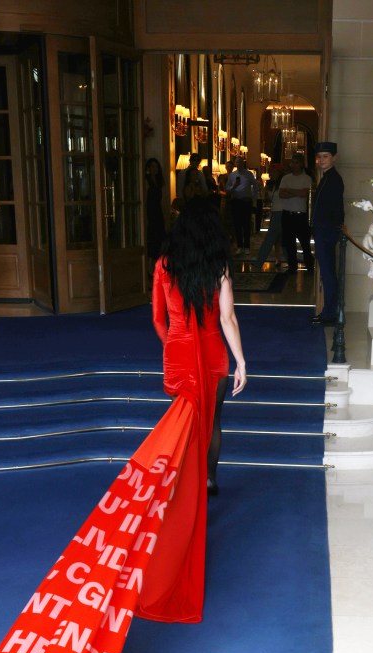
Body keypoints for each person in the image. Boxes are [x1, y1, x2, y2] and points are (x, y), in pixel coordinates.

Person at [152, 196, 247, 498]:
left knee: (183, 424)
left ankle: (185, 482)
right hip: (213, 353)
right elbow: (228, 318)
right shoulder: (219, 266)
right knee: (213, 421)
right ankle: (208, 480)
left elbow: (157, 319)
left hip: (178, 355)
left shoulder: (163, 265)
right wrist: (241, 362)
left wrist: (173, 344)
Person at [310, 141, 345, 325]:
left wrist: (330, 231)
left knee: (328, 273)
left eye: (325, 156)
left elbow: (336, 210)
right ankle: (329, 312)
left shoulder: (334, 179)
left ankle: (330, 314)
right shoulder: (327, 178)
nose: (321, 160)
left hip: (327, 232)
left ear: (334, 158)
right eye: (319, 157)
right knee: (326, 272)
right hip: (323, 231)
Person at [279, 152, 314, 274]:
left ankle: (309, 267)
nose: (294, 165)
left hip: (301, 216)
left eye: (296, 163)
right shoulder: (285, 178)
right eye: (292, 162)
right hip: (287, 214)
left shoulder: (307, 178)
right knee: (289, 244)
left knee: (305, 243)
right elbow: (281, 194)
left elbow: (305, 193)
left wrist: (289, 190)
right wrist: (297, 193)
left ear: (301, 164)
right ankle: (292, 267)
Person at [252, 162, 286, 268]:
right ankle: (287, 261)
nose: (272, 174)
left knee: (269, 239)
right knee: (280, 240)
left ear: (279, 172)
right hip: (275, 212)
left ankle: (258, 263)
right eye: (271, 172)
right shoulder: (272, 184)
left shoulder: (284, 183)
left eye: (274, 172)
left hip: (281, 213)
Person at [224, 156, 258, 255]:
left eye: (240, 162)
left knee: (246, 225)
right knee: (237, 225)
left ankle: (247, 246)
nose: (238, 164)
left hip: (246, 202)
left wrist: (253, 199)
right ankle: (239, 246)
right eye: (237, 162)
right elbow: (227, 189)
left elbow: (255, 187)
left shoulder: (249, 174)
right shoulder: (232, 175)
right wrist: (234, 185)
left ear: (243, 163)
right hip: (236, 202)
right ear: (235, 164)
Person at [144, 157, 166, 272]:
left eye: (156, 167)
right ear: (148, 168)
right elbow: (146, 199)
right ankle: (149, 266)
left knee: (159, 239)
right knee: (152, 239)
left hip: (158, 212)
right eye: (152, 167)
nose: (155, 169)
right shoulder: (147, 181)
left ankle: (156, 266)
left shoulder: (158, 182)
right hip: (151, 212)